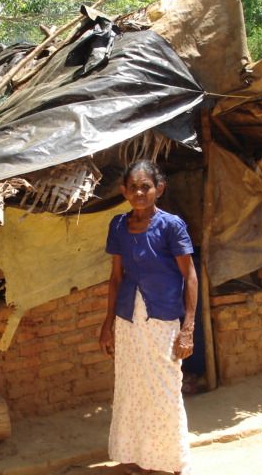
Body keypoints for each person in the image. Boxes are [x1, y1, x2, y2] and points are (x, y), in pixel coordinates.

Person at [99, 160, 198, 475]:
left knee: (163, 387)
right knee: (130, 386)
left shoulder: (171, 225)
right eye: (133, 187)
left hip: (163, 317)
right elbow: (116, 278)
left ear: (159, 188)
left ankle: (166, 460)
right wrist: (107, 323)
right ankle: (134, 455)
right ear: (123, 190)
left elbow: (190, 276)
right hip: (127, 317)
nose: (139, 192)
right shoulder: (117, 225)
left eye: (146, 186)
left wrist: (188, 328)